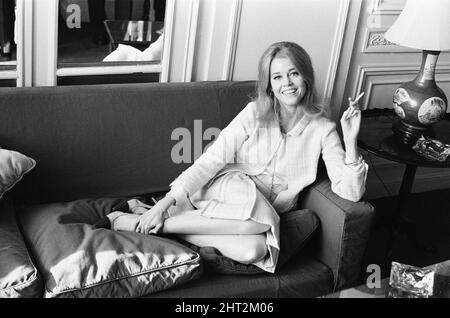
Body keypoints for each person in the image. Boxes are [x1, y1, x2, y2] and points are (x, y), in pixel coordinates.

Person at [101, 41, 368, 273]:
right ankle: (155, 217)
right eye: (277, 77)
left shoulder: (323, 128)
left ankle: (146, 223)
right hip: (229, 187)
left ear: (306, 77)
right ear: (270, 84)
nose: (286, 83)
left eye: (293, 74)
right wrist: (166, 202)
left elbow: (351, 192)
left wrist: (351, 140)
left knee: (253, 251)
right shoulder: (254, 112)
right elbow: (212, 159)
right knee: (257, 221)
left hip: (262, 215)